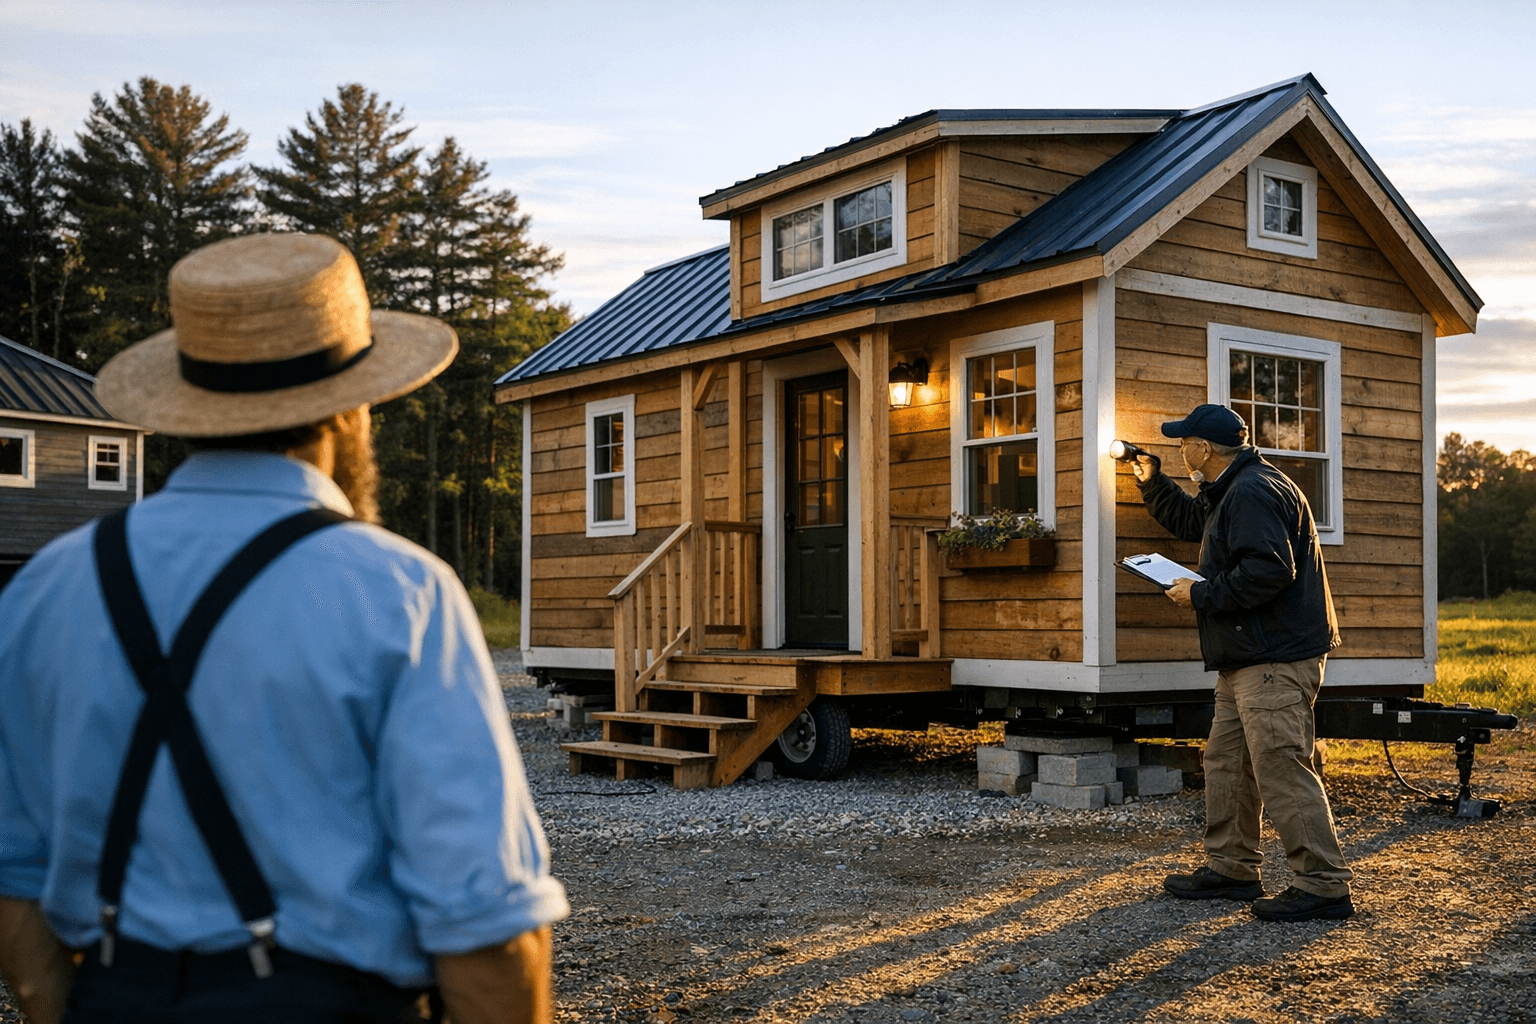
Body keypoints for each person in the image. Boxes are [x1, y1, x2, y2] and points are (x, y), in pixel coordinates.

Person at [0, 233, 569, 1022]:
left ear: (188, 404)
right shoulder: (400, 592)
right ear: (350, 413)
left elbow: (15, 892)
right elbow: (485, 932)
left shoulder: (42, 591)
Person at [1131, 403, 1353, 923]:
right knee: (1227, 761)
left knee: (1280, 765)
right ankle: (1232, 868)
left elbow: (1269, 572)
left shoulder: (1252, 491)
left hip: (1273, 656)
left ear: (1204, 449)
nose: (1179, 447)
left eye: (1182, 442)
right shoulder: (1233, 487)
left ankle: (1323, 885)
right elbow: (1193, 522)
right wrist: (1153, 481)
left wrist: (1200, 594)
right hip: (1247, 655)